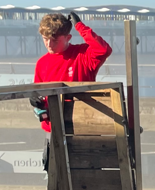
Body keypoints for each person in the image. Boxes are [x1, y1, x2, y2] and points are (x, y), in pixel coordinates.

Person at [30, 11, 112, 147]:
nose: (49, 44)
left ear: (68, 37)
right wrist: (36, 102)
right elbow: (40, 95)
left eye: (55, 40)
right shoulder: (41, 63)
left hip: (84, 127)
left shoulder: (83, 55)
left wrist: (80, 26)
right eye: (45, 39)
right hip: (53, 130)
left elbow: (103, 49)